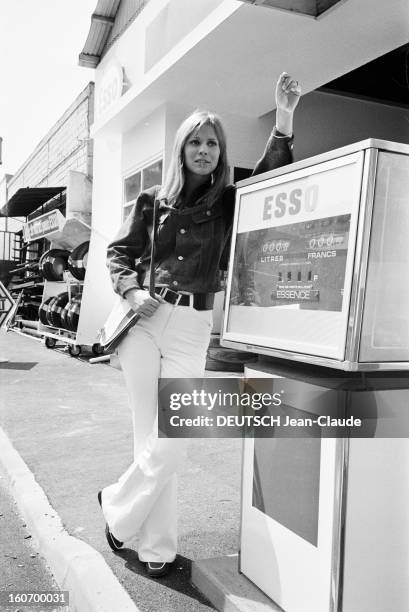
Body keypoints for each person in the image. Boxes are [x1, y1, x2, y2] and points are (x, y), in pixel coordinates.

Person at [98, 72, 301, 578]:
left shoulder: (229, 201)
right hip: (145, 323)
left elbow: (271, 178)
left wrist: (284, 118)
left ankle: (116, 505)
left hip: (192, 325)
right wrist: (133, 290)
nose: (204, 150)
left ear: (221, 151)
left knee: (172, 439)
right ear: (181, 148)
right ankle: (157, 549)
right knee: (148, 433)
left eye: (212, 143)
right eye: (196, 141)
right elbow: (118, 253)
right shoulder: (152, 202)